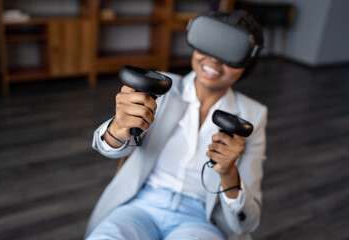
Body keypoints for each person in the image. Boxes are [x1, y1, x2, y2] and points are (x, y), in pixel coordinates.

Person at [85, 10, 267, 240]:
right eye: (209, 44)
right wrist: (117, 129)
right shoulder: (159, 86)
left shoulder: (254, 115)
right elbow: (107, 147)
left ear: (247, 62)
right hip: (140, 208)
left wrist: (229, 173)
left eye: (229, 51)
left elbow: (247, 221)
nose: (214, 60)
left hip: (201, 219)